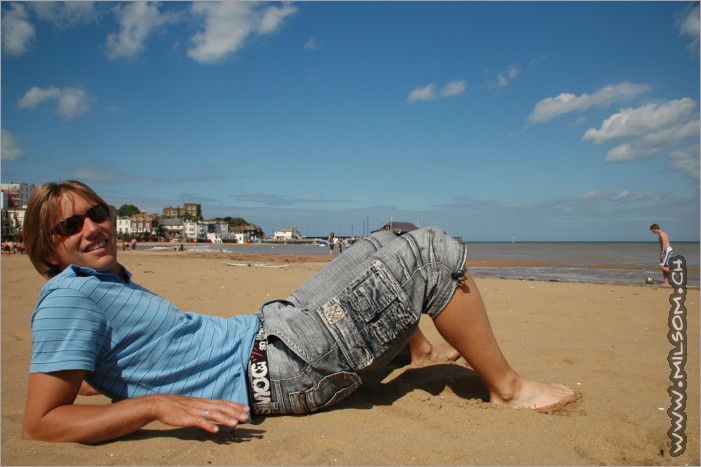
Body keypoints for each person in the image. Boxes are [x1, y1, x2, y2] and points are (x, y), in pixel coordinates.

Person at [21, 180, 577, 444]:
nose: (92, 227)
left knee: (394, 234)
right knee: (428, 252)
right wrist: (155, 406)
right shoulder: (69, 295)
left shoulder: (102, 284)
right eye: (71, 225)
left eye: (95, 213)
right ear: (48, 250)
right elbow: (42, 422)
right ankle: (508, 389)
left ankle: (421, 346)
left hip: (275, 331)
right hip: (278, 366)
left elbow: (105, 368)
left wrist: (118, 386)